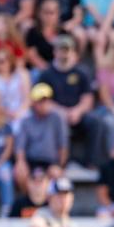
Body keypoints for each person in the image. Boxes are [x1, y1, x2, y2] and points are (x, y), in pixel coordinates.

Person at [38, 35, 103, 168]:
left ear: (73, 52)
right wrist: (62, 112)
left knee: (95, 121)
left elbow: (88, 98)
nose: (64, 54)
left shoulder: (82, 72)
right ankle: (58, 162)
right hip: (55, 115)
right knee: (56, 119)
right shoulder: (47, 74)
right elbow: (43, 101)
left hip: (77, 113)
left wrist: (77, 111)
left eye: (67, 50)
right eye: (61, 50)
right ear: (55, 52)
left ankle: (90, 162)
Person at [14, 83, 68, 192]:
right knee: (20, 172)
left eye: (46, 100)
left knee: (56, 173)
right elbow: (20, 146)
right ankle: (29, 200)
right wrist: (20, 162)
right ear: (33, 103)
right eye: (40, 101)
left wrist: (60, 166)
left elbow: (63, 146)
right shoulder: (26, 121)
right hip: (31, 161)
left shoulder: (57, 118)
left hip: (51, 162)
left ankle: (49, 203)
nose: (44, 104)